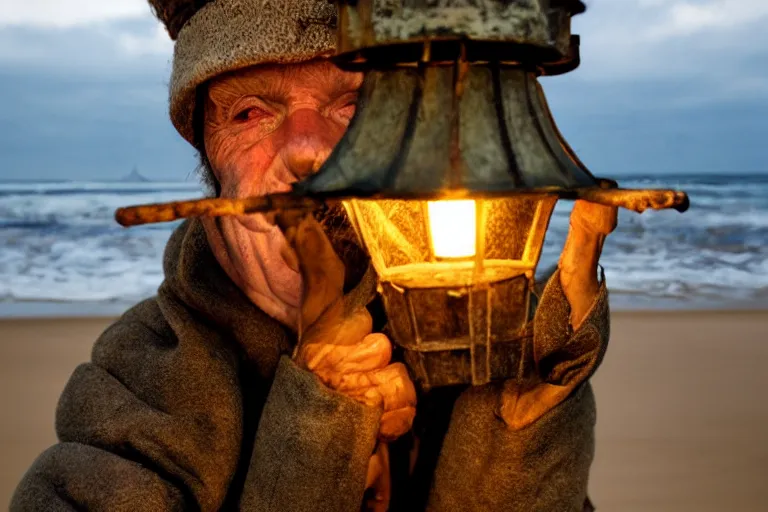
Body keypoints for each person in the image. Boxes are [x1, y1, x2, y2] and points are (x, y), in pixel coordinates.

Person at [11, 1, 617, 510]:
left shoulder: (498, 343)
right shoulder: (138, 389)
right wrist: (315, 436)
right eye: (251, 112)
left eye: (354, 107)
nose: (305, 149)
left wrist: (517, 429)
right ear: (209, 158)